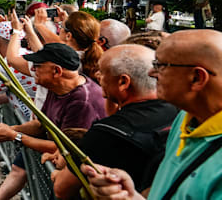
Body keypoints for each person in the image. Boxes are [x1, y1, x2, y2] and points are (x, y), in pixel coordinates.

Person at [81, 30, 222, 199]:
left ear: (197, 78)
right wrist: (130, 196)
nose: (151, 73)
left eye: (160, 65)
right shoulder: (184, 119)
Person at [50, 44, 178, 199]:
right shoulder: (178, 112)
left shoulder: (106, 134)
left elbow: (62, 189)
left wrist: (56, 174)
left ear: (123, 82)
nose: (97, 75)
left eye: (102, 72)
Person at [0, 43, 107, 200]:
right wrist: (9, 128)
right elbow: (41, 124)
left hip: (79, 185)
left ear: (56, 71)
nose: (33, 69)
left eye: (37, 65)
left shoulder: (82, 103)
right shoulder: (56, 88)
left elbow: (66, 149)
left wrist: (14, 135)